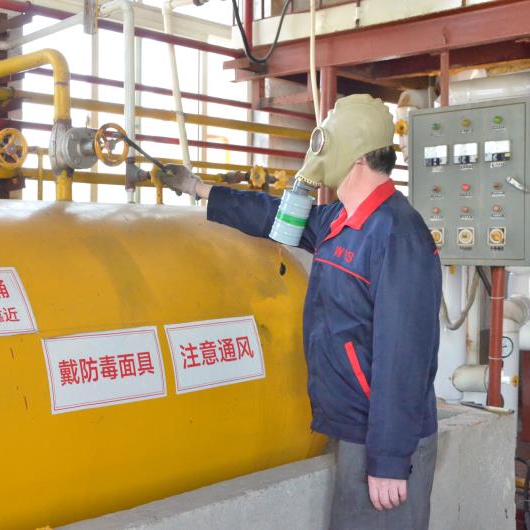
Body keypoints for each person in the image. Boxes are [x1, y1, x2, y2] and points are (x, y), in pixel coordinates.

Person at [159, 94, 442, 529]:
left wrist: (389, 458)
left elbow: (404, 357)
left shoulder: (397, 233)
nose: (317, 149)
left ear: (352, 151)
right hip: (353, 427)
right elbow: (274, 217)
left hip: (382, 440)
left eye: (323, 140)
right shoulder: (339, 220)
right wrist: (198, 189)